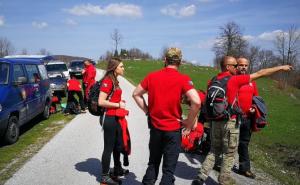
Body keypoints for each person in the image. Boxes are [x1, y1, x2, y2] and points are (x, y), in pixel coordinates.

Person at [193, 56, 292, 185]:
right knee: (229, 154)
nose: (237, 67)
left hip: (215, 122)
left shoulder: (214, 80)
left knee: (213, 150)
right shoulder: (234, 80)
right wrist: (281, 67)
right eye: (235, 65)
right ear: (228, 67)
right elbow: (261, 73)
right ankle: (224, 181)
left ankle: (200, 178)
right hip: (229, 122)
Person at [132, 47, 201, 185]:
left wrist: (147, 111)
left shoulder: (152, 76)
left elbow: (135, 94)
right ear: (180, 62)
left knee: (153, 163)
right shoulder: (183, 79)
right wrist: (189, 121)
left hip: (155, 128)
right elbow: (197, 101)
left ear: (165, 60)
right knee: (168, 170)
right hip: (173, 130)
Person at [98, 58, 128, 185]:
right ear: (114, 68)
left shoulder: (115, 80)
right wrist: (118, 105)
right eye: (121, 66)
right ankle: (105, 177)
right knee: (108, 148)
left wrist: (118, 105)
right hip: (109, 118)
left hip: (116, 117)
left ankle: (116, 169)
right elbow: (101, 101)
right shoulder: (108, 81)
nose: (123, 68)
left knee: (117, 145)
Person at [235, 57, 258, 178]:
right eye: (241, 65)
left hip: (247, 117)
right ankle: (219, 164)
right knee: (228, 142)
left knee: (244, 143)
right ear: (236, 66)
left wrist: (254, 107)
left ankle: (244, 169)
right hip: (234, 117)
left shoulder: (252, 81)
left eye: (246, 65)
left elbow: (256, 98)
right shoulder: (233, 79)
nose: (243, 67)